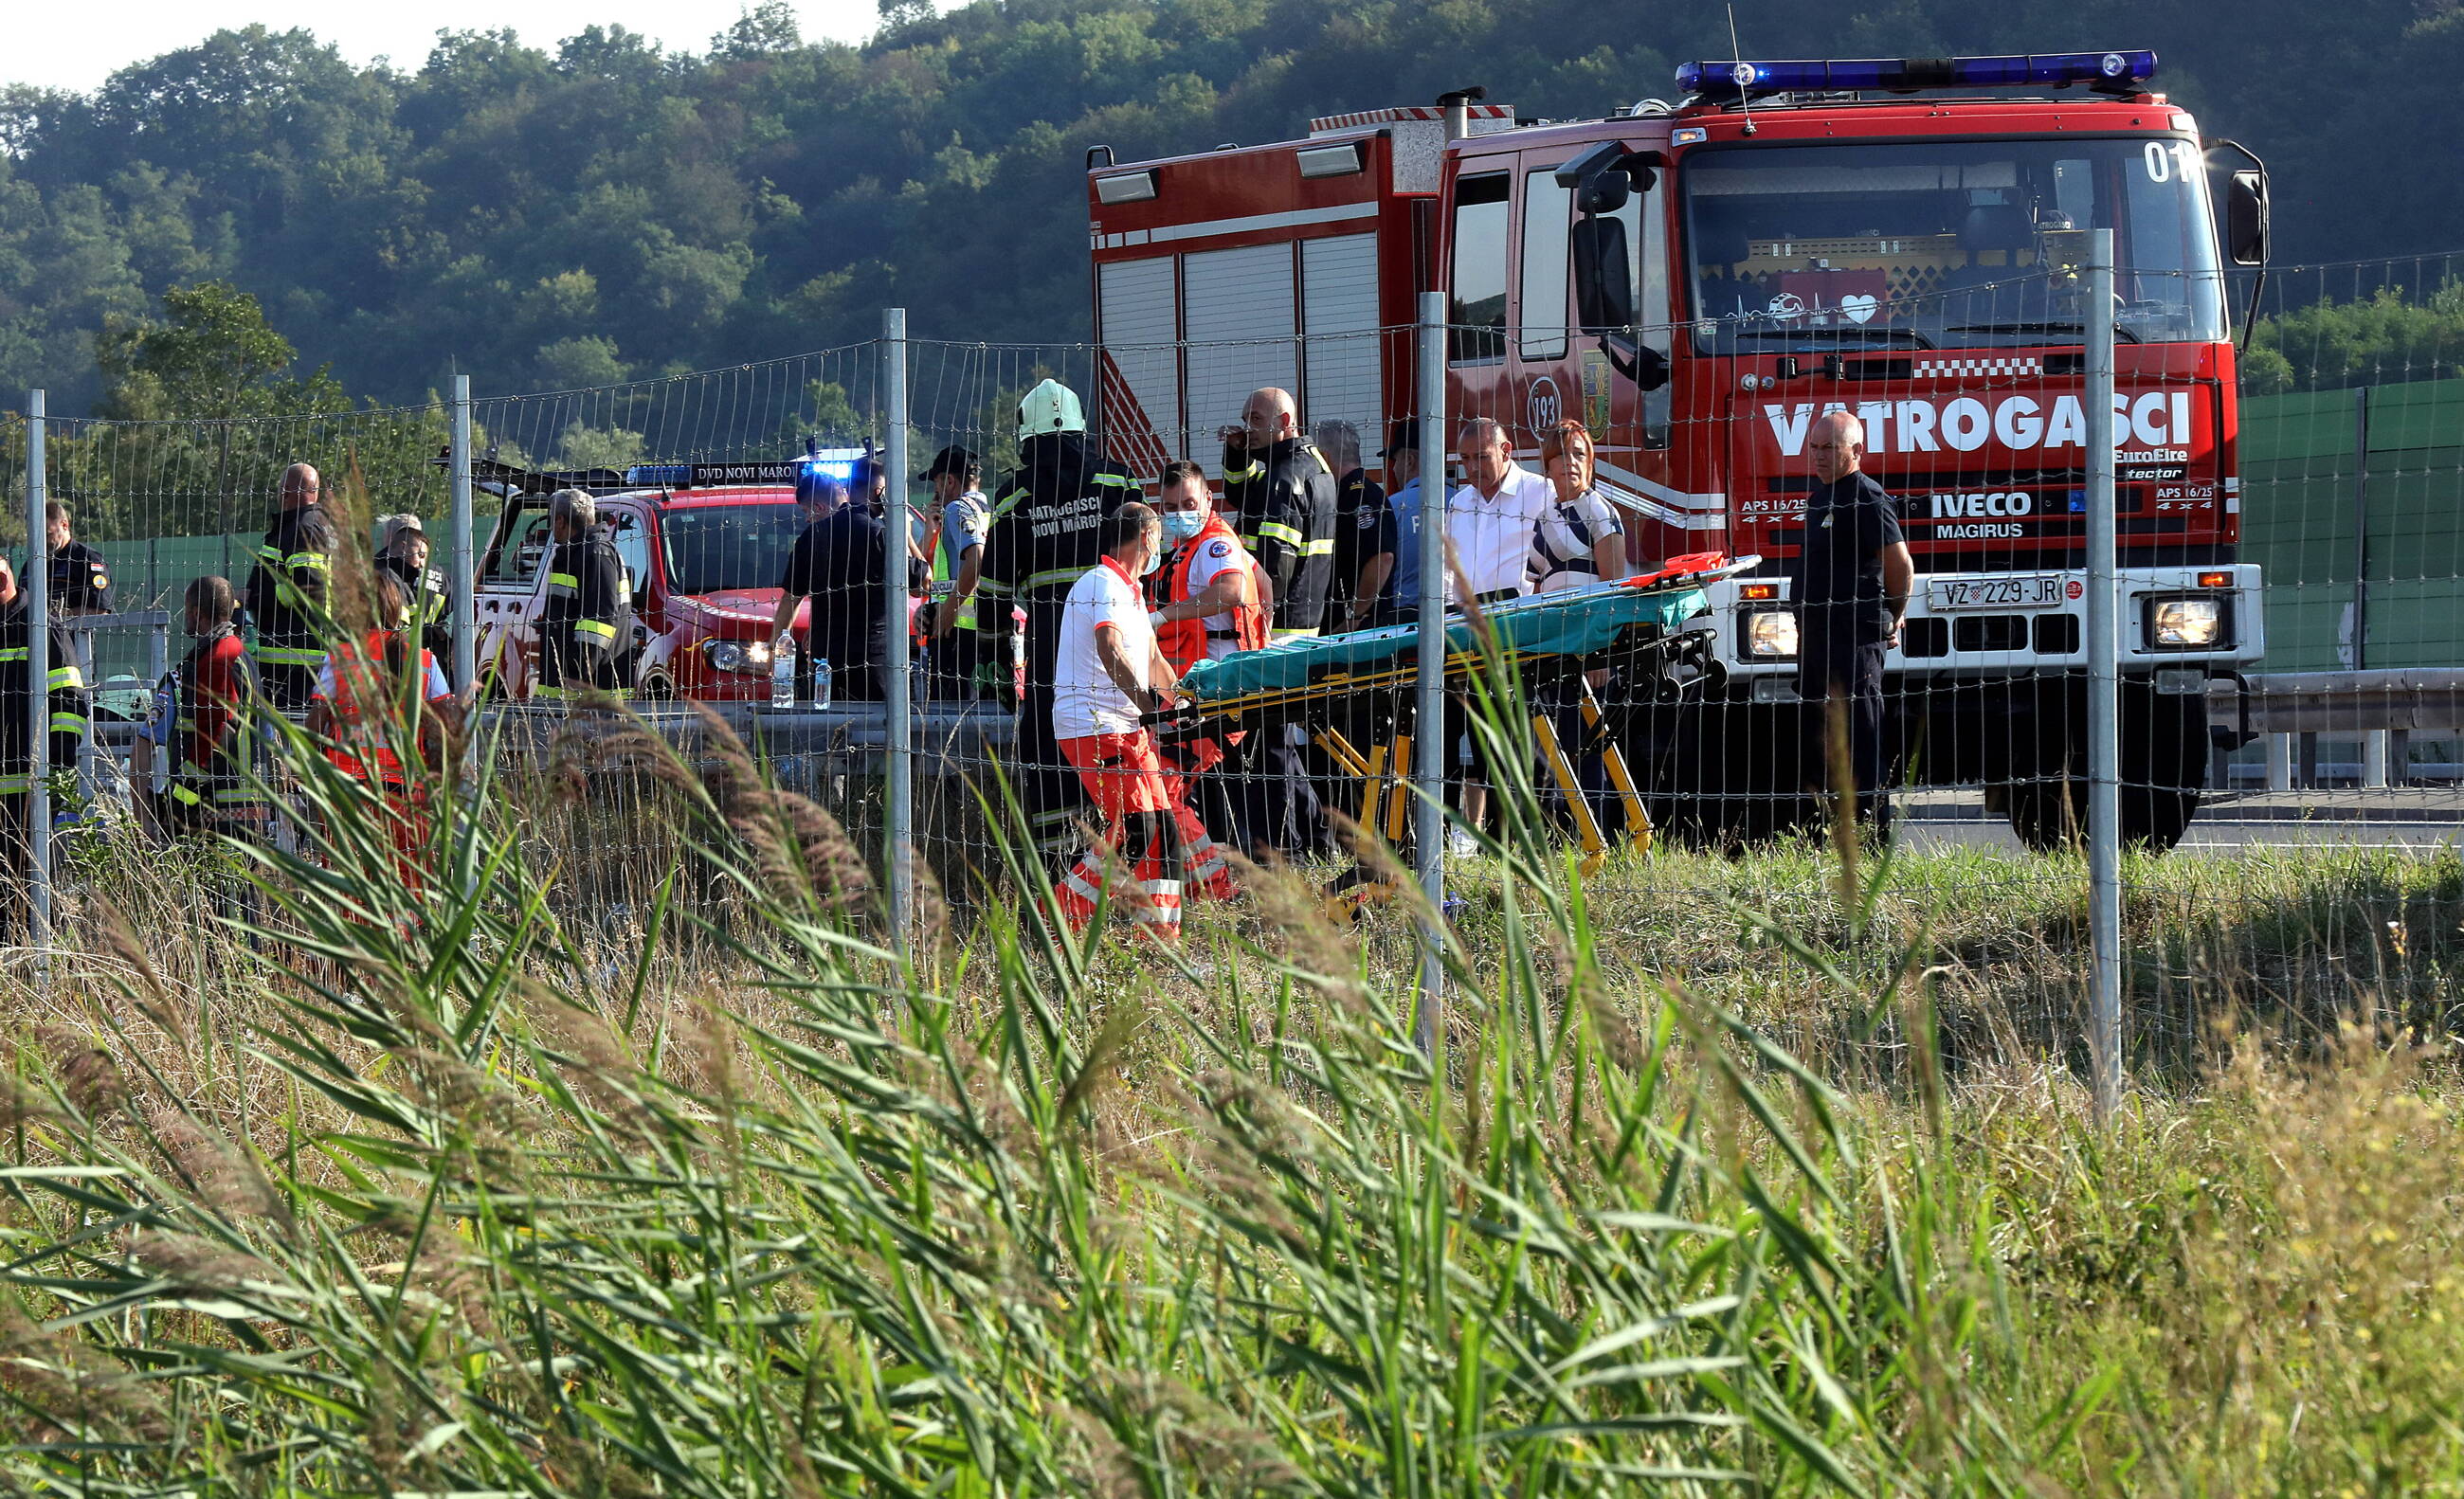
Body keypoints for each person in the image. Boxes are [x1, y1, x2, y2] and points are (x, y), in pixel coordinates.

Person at [978, 379, 1140, 861]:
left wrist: (995, 658)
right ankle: (1127, 857)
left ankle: (1058, 873)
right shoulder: (1116, 481)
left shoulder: (1013, 497)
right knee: (1120, 736)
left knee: (1049, 746)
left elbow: (994, 591)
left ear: (1026, 437)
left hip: (1051, 640)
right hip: (1116, 632)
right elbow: (1144, 559)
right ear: (1081, 431)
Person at [1048, 503, 1224, 943]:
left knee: (1156, 826)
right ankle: (1064, 920)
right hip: (1096, 725)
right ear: (1146, 537)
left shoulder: (1132, 592)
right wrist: (1148, 705)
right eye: (1159, 536)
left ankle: (1155, 934)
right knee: (1144, 829)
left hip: (1124, 725)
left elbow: (1153, 660)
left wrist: (1184, 704)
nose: (1161, 546)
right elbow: (1109, 648)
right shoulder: (1102, 583)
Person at [1792, 409, 1912, 836]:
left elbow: (1899, 566)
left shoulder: (1868, 497)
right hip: (1818, 640)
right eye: (1814, 448)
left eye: (1829, 448)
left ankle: (1873, 830)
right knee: (1820, 735)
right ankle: (1826, 828)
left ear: (1857, 450)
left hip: (1854, 636)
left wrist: (1891, 620)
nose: (1819, 457)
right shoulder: (1820, 495)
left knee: (1862, 732)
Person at [1440, 418, 1557, 854]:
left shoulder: (1539, 492)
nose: (1472, 467)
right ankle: (1487, 842)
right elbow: (1449, 571)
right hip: (1467, 632)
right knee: (1478, 738)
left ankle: (1527, 836)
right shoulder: (1460, 504)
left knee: (1520, 740)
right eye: (1465, 459)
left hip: (1521, 632)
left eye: (1481, 457)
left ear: (1506, 452)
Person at [1147, 460, 1259, 899]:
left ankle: (1216, 886)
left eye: (1189, 503)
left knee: (1165, 788)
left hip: (1215, 693)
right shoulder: (1186, 547)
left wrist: (1164, 615)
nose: (1179, 513)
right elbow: (1262, 583)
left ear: (1208, 500)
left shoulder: (1213, 545)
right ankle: (1205, 883)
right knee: (1167, 788)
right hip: (1193, 692)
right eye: (1171, 506)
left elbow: (1234, 589)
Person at [309, 572, 460, 892]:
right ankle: (409, 939)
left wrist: (306, 771)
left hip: (348, 792)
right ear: (395, 608)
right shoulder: (424, 660)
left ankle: (355, 941)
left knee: (351, 888)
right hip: (408, 793)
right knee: (409, 886)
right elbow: (446, 725)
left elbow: (316, 722)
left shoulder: (340, 658)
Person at [770, 463, 915, 703]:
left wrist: (775, 652)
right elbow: (923, 581)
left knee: (827, 729)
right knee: (880, 732)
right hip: (875, 658)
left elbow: (791, 599)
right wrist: (905, 534)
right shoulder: (878, 532)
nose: (807, 519)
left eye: (807, 512)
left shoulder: (812, 538)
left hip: (826, 658)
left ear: (819, 506)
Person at [142, 576, 267, 840]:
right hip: (239, 802)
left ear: (196, 612)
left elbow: (217, 728)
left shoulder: (219, 657)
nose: (185, 616)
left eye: (186, 609)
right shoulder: (237, 653)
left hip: (221, 808)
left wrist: (180, 796)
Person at [0, 554, 87, 925]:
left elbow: (71, 703)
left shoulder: (40, 628)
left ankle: (43, 967)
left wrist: (57, 774)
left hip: (29, 789)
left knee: (32, 888)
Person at [1219, 388, 1336, 641]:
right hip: (1302, 617)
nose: (1248, 428)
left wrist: (1261, 616)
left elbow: (1277, 559)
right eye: (1245, 420)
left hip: (1277, 625)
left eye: (1257, 419)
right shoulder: (1307, 463)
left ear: (1284, 421)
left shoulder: (1284, 477)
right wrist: (1237, 454)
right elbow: (1243, 497)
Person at [245, 462, 338, 712]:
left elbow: (309, 587)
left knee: (289, 733)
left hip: (293, 661)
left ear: (285, 491)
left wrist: (252, 596)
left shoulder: (302, 529)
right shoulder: (318, 526)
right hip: (305, 654)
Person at [916, 445, 1001, 701]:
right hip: (987, 628)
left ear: (949, 480)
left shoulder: (957, 509)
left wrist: (947, 611)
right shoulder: (989, 513)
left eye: (937, 483)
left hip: (957, 634)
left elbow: (976, 560)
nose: (935, 492)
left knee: (951, 719)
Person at [535, 488, 633, 705]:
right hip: (576, 689)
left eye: (551, 520)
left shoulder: (595, 554)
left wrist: (576, 672)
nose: (551, 527)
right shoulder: (578, 553)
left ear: (560, 521)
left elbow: (599, 623)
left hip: (593, 691)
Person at [1527, 421, 1631, 595]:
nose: (1571, 462)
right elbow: (1538, 586)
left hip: (1587, 619)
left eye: (1579, 454)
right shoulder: (1543, 518)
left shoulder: (1600, 511)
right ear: (1547, 466)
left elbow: (1612, 589)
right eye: (1561, 454)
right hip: (1549, 620)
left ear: (1589, 464)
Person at [1314, 420, 1393, 636]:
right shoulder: (1343, 494)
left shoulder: (1359, 497)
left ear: (1324, 457)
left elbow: (1382, 557)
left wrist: (1354, 615)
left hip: (1362, 628)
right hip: (1346, 624)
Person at [377, 514, 454, 687]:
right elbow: (456, 612)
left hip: (395, 666)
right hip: (435, 666)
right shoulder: (440, 574)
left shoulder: (382, 573)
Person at [1376, 418, 1426, 625]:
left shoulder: (1392, 507)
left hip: (1402, 621)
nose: (1394, 469)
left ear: (1410, 461)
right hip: (1456, 618)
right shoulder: (1461, 502)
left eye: (1394, 461)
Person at [45, 503, 112, 617]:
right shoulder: (32, 564)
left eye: (47, 534)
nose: (41, 541)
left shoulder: (87, 559)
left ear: (64, 525)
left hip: (73, 633)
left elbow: (99, 610)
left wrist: (55, 616)